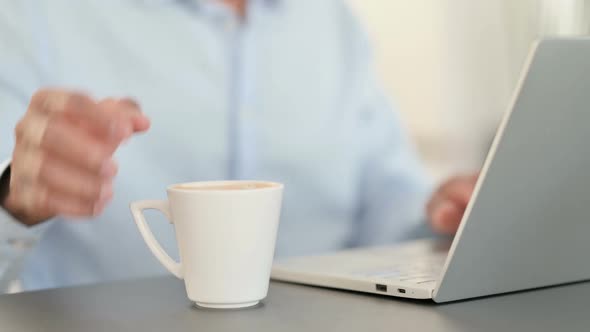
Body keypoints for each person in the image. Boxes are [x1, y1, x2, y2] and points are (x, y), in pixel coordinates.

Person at [0, 0, 477, 293]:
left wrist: (448, 217)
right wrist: (15, 201)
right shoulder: (33, 16)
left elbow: (387, 202)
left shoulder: (332, 21)